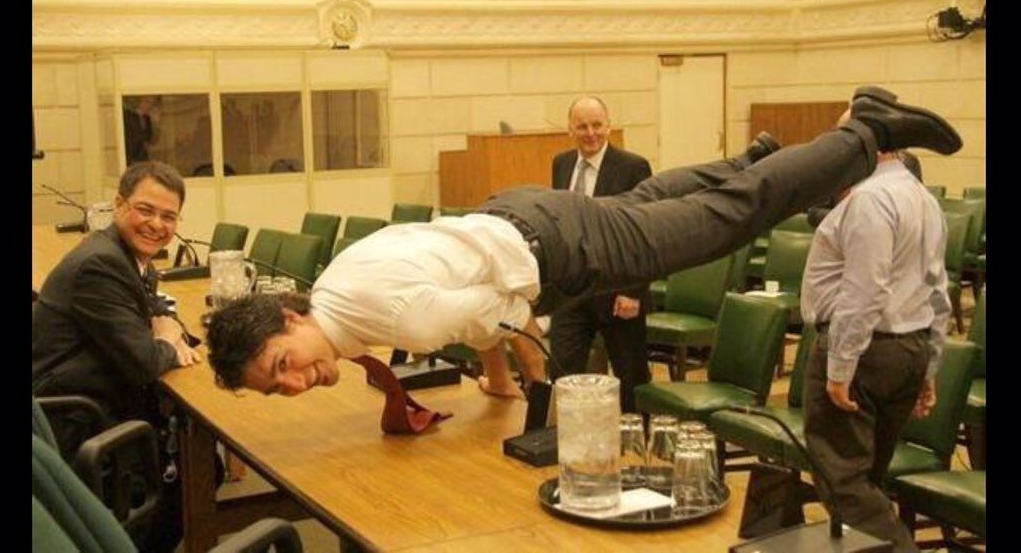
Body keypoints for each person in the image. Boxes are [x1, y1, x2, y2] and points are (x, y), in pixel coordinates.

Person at [206, 86, 962, 404]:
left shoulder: (393, 320)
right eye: (278, 389)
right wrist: (501, 368)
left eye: (282, 364)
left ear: (288, 319)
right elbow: (475, 307)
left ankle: (864, 132)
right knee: (654, 200)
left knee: (730, 219)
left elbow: (505, 317)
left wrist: (514, 355)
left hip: (560, 249)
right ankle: (751, 156)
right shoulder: (337, 285)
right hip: (519, 213)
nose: (295, 383)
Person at [800, 111, 951, 552]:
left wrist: (840, 366)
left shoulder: (869, 199)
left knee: (844, 482)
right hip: (907, 349)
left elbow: (864, 291)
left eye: (843, 137)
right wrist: (928, 366)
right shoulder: (923, 198)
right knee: (867, 480)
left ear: (865, 142)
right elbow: (938, 291)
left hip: (863, 353)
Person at [32, 160, 202, 553]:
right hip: (75, 421)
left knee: (198, 459)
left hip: (87, 400)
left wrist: (169, 330)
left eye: (168, 216)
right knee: (197, 469)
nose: (156, 224)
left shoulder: (125, 256)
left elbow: (158, 311)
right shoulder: (100, 264)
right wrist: (166, 341)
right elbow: (145, 364)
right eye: (145, 210)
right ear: (119, 204)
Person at [546, 96, 652, 410]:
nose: (590, 133)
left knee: (630, 376)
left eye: (596, 125)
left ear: (609, 126)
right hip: (572, 291)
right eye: (582, 126)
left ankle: (636, 434)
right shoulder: (561, 163)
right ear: (570, 129)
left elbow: (645, 231)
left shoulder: (633, 167)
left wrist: (634, 291)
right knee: (562, 370)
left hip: (618, 290)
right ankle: (570, 431)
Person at [124, 95, 161, 166]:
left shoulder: (147, 118)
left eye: (152, 104)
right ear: (140, 101)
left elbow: (152, 140)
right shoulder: (128, 115)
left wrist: (156, 123)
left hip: (142, 158)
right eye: (147, 102)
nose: (149, 106)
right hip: (130, 157)